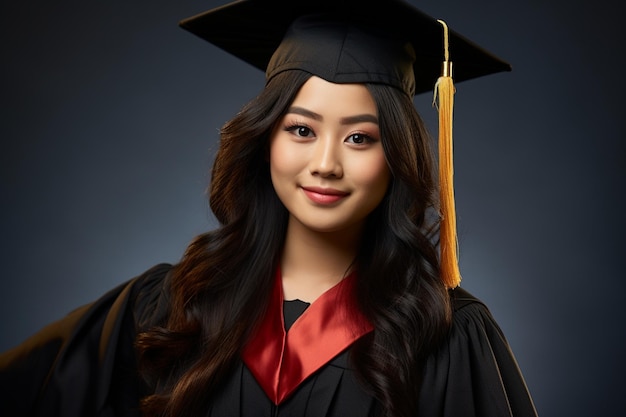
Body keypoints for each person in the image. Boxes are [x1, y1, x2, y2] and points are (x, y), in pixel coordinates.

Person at [0, 0, 537, 416]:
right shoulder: (175, 307)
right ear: (265, 141)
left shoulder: (444, 334)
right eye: (301, 129)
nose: (325, 163)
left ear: (397, 156)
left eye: (360, 139)